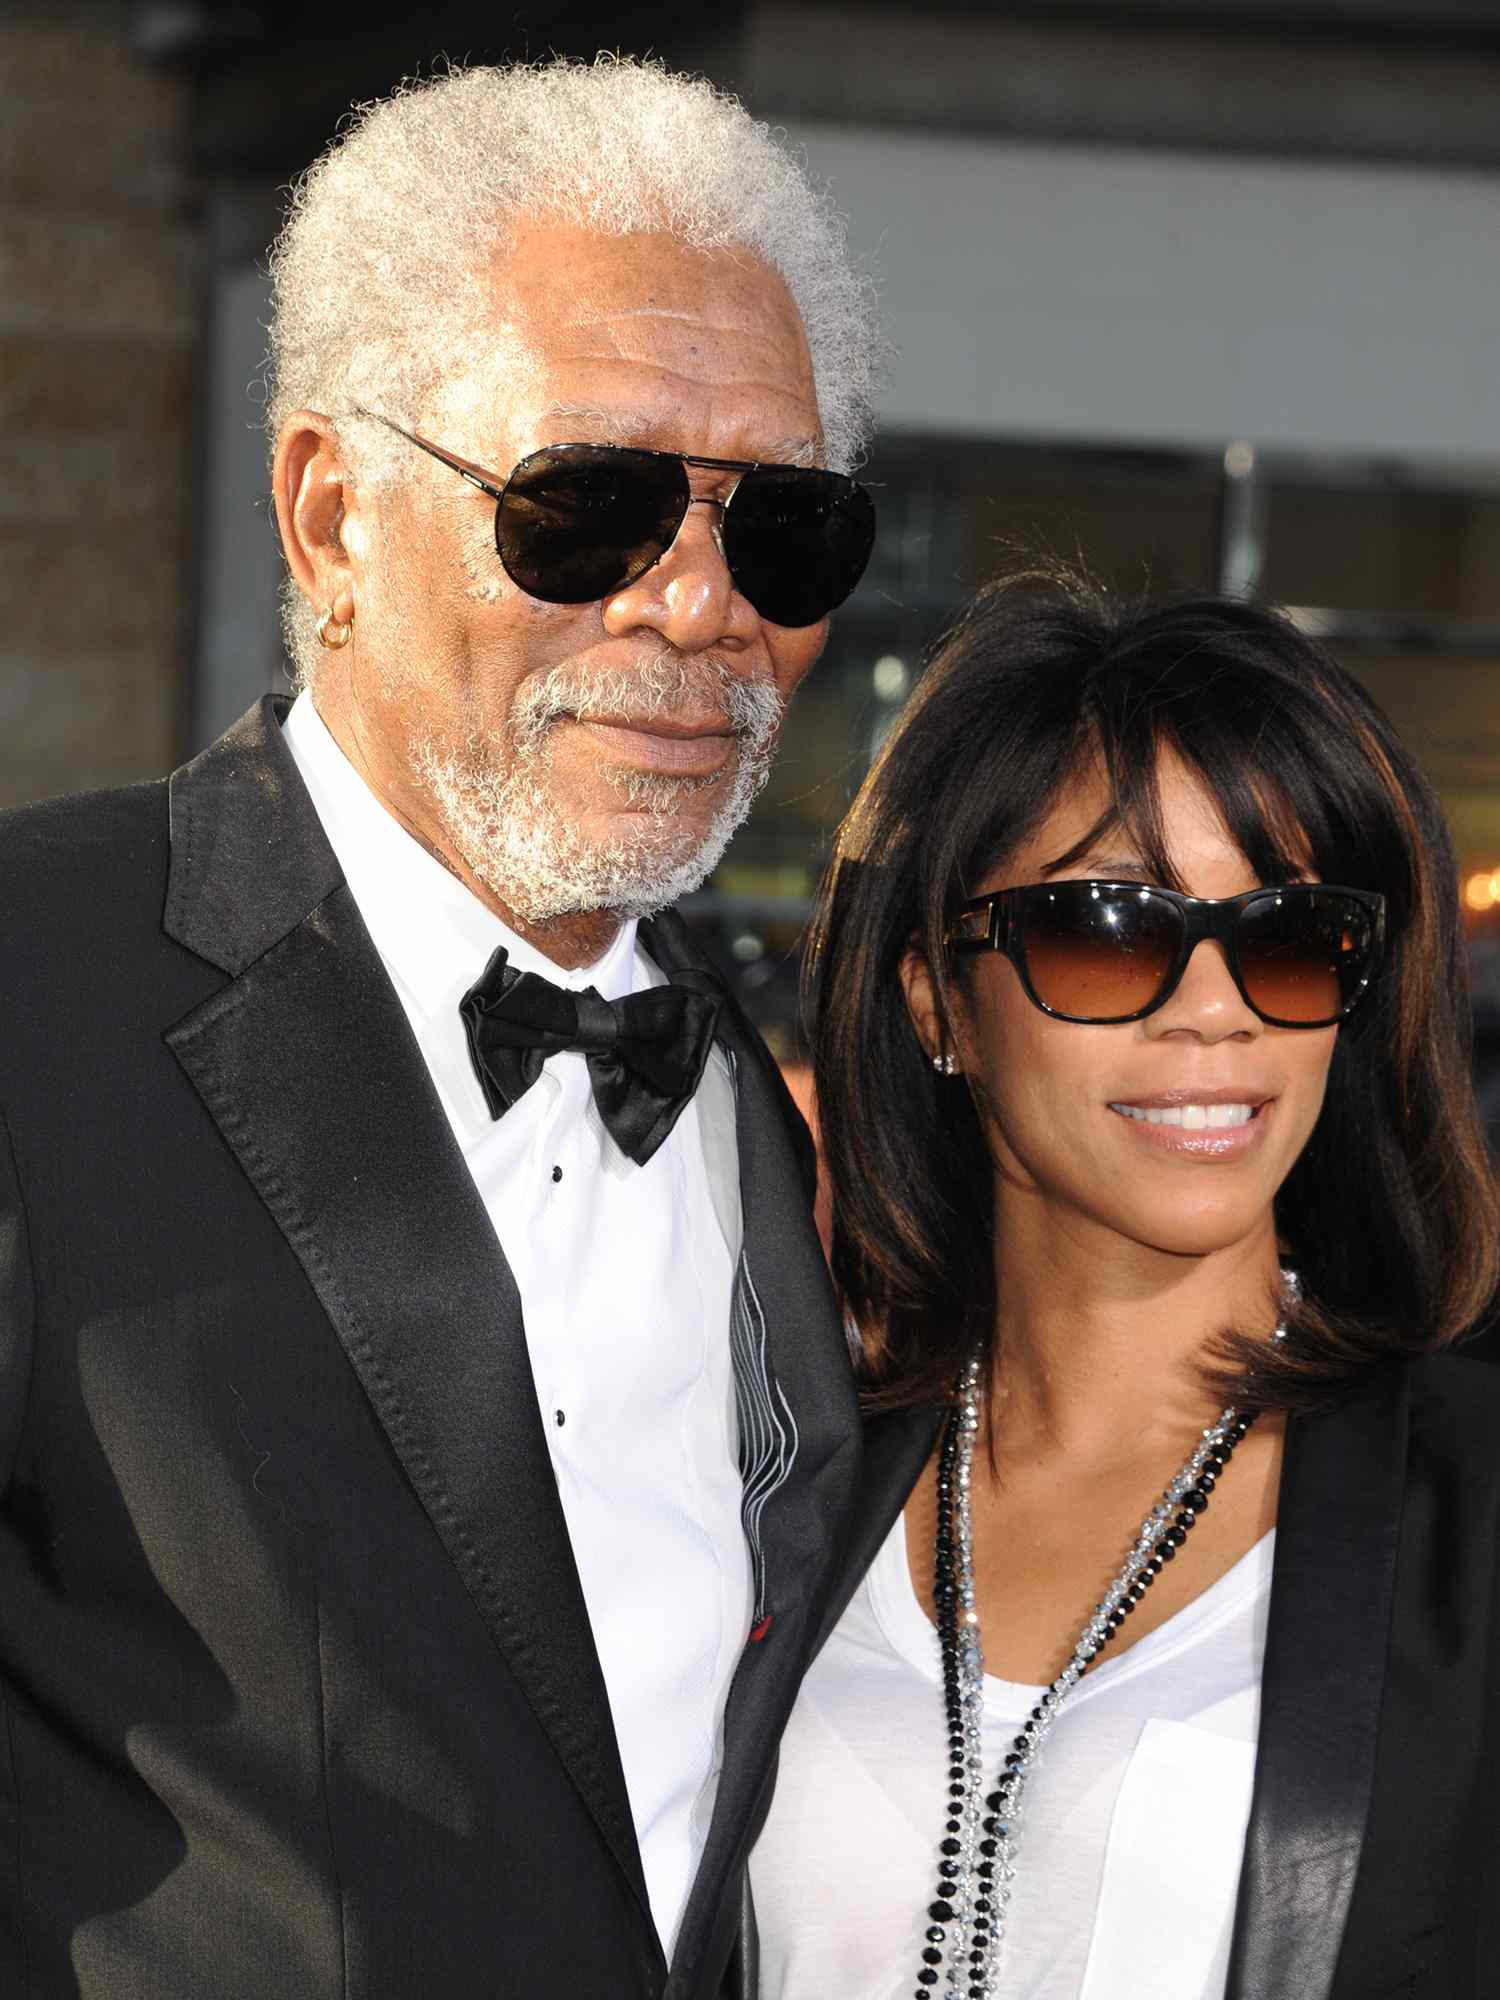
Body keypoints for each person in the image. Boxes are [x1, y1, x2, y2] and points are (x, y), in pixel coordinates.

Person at [0, 58, 880, 2000]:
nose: (699, 602)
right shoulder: (34, 987)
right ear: (331, 515)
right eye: (589, 506)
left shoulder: (750, 1095)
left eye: (786, 526)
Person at [750, 575, 1500, 2000]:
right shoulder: (774, 1482)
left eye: (1288, 938)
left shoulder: (1471, 1513)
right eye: (1107, 929)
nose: (1213, 1008)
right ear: (935, 999)